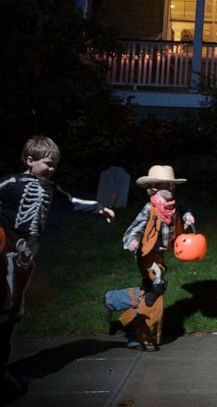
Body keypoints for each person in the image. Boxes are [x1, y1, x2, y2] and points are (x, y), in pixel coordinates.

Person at [0, 136, 115, 393]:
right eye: (48, 164)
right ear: (30, 160)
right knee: (6, 305)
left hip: (27, 256)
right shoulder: (12, 182)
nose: (52, 169)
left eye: (55, 165)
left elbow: (72, 202)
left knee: (15, 310)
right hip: (5, 250)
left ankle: (3, 366)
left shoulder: (51, 189)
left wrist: (100, 208)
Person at [103, 164, 194, 351]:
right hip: (146, 254)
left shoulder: (172, 208)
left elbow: (178, 219)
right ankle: (143, 336)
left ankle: (116, 304)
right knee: (156, 289)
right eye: (166, 185)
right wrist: (133, 240)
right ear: (154, 188)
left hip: (159, 255)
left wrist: (187, 216)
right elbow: (136, 227)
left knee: (148, 292)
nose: (171, 188)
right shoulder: (149, 208)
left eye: (172, 185)